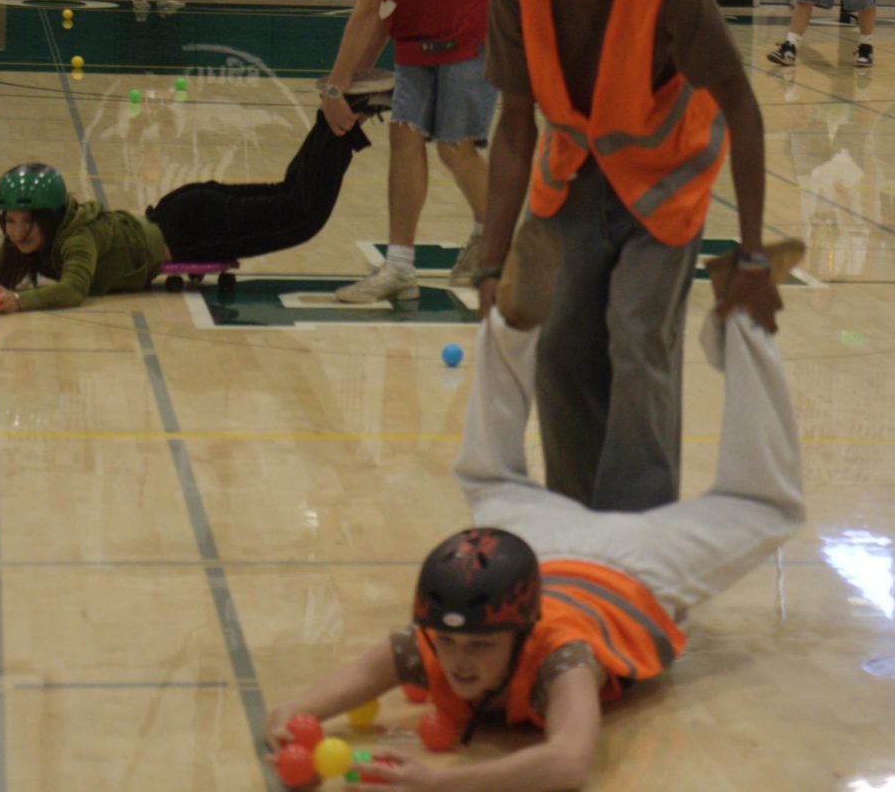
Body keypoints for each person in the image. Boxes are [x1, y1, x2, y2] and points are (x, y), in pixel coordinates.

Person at [264, 306, 803, 790]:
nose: (459, 660)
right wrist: (290, 721)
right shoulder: (436, 636)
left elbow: (567, 763)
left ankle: (743, 320)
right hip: (538, 550)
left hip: (638, 567)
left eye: (480, 646)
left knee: (766, 506)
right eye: (452, 644)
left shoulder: (564, 658)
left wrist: (438, 784)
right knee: (487, 476)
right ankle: (511, 322)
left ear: (523, 630)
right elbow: (333, 690)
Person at [479, 0, 782, 512]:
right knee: (556, 351)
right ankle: (583, 530)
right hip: (572, 187)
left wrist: (755, 252)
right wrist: (492, 261)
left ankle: (640, 534)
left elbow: (741, 104)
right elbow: (516, 127)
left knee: (638, 337)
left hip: (665, 188)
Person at [286, 0, 502, 302]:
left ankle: (498, 241)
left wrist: (336, 88)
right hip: (425, 22)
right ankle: (400, 271)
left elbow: (365, 12)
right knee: (405, 137)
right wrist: (347, 80)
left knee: (453, 145)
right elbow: (385, 10)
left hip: (474, 21)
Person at [0, 80, 390, 311]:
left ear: (51, 218)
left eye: (28, 223)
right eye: (11, 223)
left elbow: (72, 290)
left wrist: (18, 301)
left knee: (303, 213)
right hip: (183, 211)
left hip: (194, 230)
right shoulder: (44, 233)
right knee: (290, 195)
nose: (19, 233)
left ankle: (344, 116)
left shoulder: (75, 239)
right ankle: (339, 114)